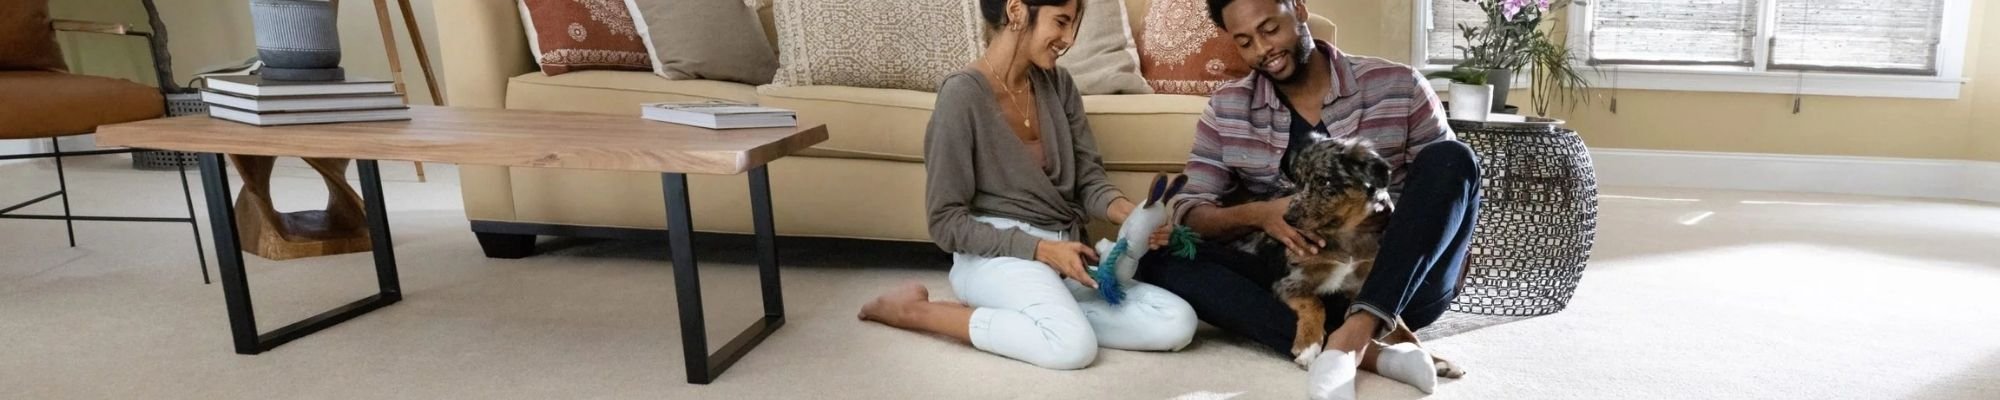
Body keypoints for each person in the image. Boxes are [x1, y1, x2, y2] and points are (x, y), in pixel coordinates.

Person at [1133, 0, 1482, 396]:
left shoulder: (1399, 85)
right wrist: (1260, 214)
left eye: (1269, 29)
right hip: (1303, 281)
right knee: (1159, 260)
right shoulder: (1228, 108)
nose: (1262, 50)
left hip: (1401, 286)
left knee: (1454, 158)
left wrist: (1371, 219)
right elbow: (1189, 208)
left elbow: (1446, 191)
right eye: (1245, 42)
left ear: (1298, 9)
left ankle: (1357, 333)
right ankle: (1374, 356)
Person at [856, 0, 1198, 370]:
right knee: (1071, 348)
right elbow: (945, 223)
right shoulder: (961, 96)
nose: (1068, 39)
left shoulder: (1060, 85)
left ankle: (1034, 315)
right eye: (1062, 22)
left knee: (1177, 322)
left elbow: (1090, 182)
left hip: (1066, 255)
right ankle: (914, 311)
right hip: (997, 257)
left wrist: (1133, 215)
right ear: (1016, 11)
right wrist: (1039, 249)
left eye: (1073, 25)